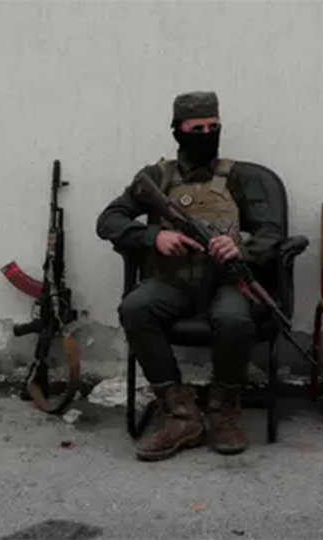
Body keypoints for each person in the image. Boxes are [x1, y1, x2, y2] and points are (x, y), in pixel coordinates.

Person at [96, 91, 285, 461]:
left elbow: (271, 233)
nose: (206, 134)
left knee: (234, 318)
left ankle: (223, 409)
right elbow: (109, 221)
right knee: (136, 307)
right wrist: (154, 236)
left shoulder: (240, 177)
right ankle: (180, 413)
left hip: (226, 281)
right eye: (196, 128)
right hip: (173, 282)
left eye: (213, 127)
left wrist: (241, 249)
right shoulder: (157, 178)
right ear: (177, 131)